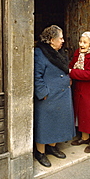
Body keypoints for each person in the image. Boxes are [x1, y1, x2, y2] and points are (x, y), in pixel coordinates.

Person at [34, 25, 75, 167]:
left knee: (58, 122)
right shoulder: (40, 53)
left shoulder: (59, 52)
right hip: (49, 96)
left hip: (62, 94)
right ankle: (40, 152)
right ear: (52, 40)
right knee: (44, 124)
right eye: (61, 38)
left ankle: (52, 147)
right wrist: (43, 93)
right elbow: (36, 76)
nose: (63, 40)